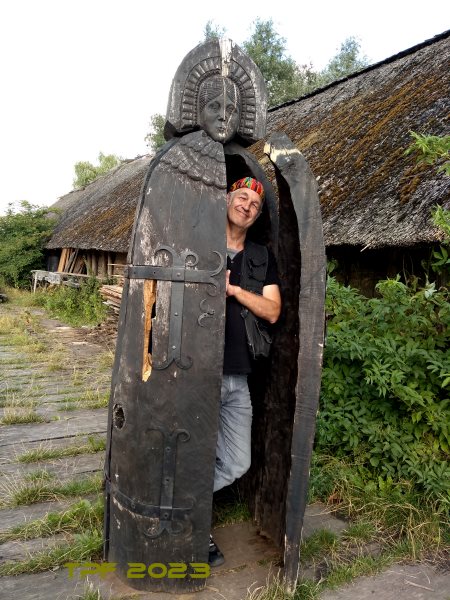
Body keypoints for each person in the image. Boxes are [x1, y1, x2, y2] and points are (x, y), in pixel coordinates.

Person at [209, 177, 282, 566]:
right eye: (241, 197)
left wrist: (234, 290)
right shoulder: (200, 242)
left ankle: (185, 506)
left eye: (254, 203)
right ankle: (193, 526)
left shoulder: (259, 256)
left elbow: (272, 310)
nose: (247, 206)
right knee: (192, 452)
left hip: (238, 376)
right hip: (195, 372)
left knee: (238, 461)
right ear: (226, 199)